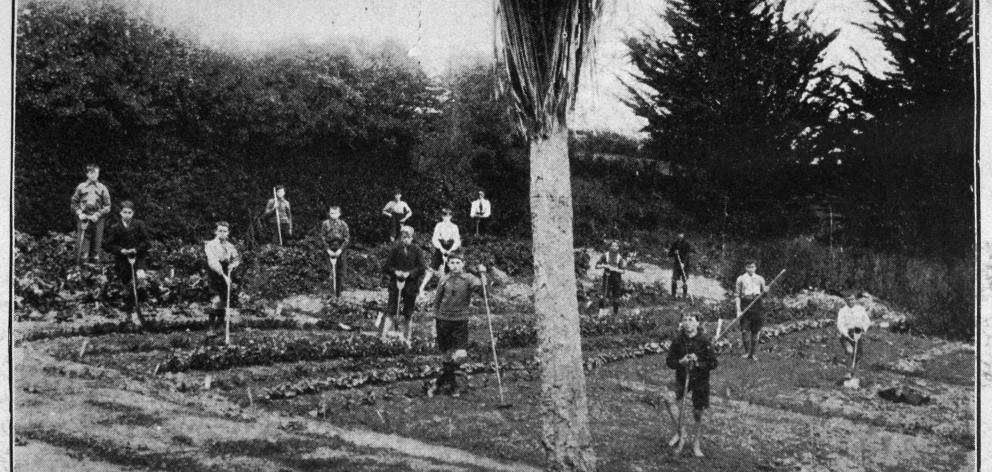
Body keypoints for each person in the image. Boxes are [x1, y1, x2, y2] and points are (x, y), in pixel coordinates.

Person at [426, 252, 487, 397]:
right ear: (448, 264)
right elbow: (436, 303)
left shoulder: (469, 278)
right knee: (446, 356)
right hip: (443, 321)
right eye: (452, 263)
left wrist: (483, 274)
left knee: (460, 354)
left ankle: (439, 381)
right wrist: (433, 324)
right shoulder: (444, 279)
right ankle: (453, 387)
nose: (455, 266)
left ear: (463, 264)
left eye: (458, 263)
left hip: (460, 321)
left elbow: (482, 291)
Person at [664, 313, 717, 457]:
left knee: (698, 412)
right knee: (668, 398)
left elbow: (713, 363)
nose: (688, 323)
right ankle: (682, 432)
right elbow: (669, 361)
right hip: (682, 379)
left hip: (700, 380)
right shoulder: (678, 341)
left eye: (691, 320)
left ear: (697, 324)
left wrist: (698, 362)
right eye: (685, 320)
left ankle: (696, 443)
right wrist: (681, 362)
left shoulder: (704, 341)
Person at [102, 201, 150, 327]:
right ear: (120, 213)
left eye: (129, 212)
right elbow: (108, 244)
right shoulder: (115, 226)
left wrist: (136, 249)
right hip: (123, 261)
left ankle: (140, 307)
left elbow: (146, 242)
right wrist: (120, 250)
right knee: (127, 286)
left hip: (137, 259)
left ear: (133, 213)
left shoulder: (139, 225)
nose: (127, 215)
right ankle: (129, 311)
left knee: (140, 278)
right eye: (125, 212)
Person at [382, 226, 426, 342]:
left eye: (407, 237)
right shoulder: (395, 250)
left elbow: (421, 268)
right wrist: (396, 271)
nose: (405, 240)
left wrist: (409, 273)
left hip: (411, 285)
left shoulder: (417, 251)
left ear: (412, 238)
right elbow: (386, 267)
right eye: (403, 237)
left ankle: (407, 338)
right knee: (391, 310)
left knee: (408, 312)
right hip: (395, 284)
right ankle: (384, 337)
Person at [70, 164, 112, 264]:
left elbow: (107, 206)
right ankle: (81, 270)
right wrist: (79, 213)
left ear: (98, 174)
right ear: (87, 174)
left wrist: (97, 215)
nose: (94, 175)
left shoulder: (102, 188)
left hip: (97, 219)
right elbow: (74, 203)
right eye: (91, 172)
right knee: (82, 245)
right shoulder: (81, 187)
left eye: (96, 173)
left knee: (96, 244)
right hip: (84, 218)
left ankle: (96, 273)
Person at [205, 221, 241, 333]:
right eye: (220, 231)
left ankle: (219, 326)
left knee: (223, 302)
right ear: (216, 232)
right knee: (216, 300)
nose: (222, 233)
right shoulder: (210, 245)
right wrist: (223, 276)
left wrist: (233, 265)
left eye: (224, 231)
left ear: (228, 233)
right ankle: (211, 328)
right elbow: (213, 262)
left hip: (227, 274)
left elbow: (236, 259)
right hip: (214, 274)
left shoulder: (230, 246)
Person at [421, 208, 462, 293]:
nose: (446, 217)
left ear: (451, 216)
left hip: (451, 248)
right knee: (432, 268)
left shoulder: (454, 227)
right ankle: (421, 287)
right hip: (440, 247)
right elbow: (434, 239)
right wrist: (441, 248)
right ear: (442, 216)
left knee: (450, 269)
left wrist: (451, 249)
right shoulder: (439, 225)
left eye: (448, 215)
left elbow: (457, 240)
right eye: (444, 215)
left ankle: (450, 289)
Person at [735, 260, 767, 360]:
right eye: (748, 267)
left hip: (757, 304)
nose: (751, 269)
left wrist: (766, 291)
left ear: (755, 268)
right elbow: (737, 295)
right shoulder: (740, 279)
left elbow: (764, 294)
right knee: (744, 330)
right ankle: (746, 352)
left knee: (756, 330)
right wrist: (738, 310)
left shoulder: (760, 279)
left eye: (752, 267)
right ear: (745, 267)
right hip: (745, 303)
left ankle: (753, 353)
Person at [836, 291, 871, 375]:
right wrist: (847, 335)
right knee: (850, 352)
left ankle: (854, 374)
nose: (850, 301)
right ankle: (848, 372)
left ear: (855, 299)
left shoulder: (860, 309)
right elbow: (840, 325)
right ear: (845, 301)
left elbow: (867, 322)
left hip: (858, 333)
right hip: (846, 335)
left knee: (858, 355)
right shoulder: (842, 311)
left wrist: (862, 328)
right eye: (848, 300)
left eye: (852, 299)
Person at [320, 206, 350, 297]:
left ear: (339, 214)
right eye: (331, 213)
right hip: (329, 248)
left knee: (340, 272)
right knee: (330, 272)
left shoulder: (343, 224)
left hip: (340, 249)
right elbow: (322, 237)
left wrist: (340, 250)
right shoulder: (325, 224)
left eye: (335, 213)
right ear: (329, 213)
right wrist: (328, 249)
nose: (333, 215)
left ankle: (338, 294)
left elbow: (347, 238)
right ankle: (331, 293)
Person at [595, 240, 626, 316]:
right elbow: (596, 266)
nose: (614, 247)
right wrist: (604, 266)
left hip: (616, 278)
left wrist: (614, 269)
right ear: (610, 247)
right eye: (612, 246)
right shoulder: (605, 255)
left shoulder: (620, 257)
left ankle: (615, 314)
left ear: (618, 248)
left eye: (615, 246)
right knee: (603, 295)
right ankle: (601, 314)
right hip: (607, 277)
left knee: (616, 298)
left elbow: (623, 271)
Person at [667, 233, 695, 299]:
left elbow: (687, 255)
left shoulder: (687, 244)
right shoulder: (675, 244)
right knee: (674, 280)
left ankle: (684, 296)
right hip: (677, 265)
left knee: (685, 280)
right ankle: (673, 295)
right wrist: (674, 253)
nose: (679, 239)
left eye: (681, 238)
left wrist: (684, 263)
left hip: (685, 266)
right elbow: (669, 254)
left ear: (683, 237)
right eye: (678, 238)